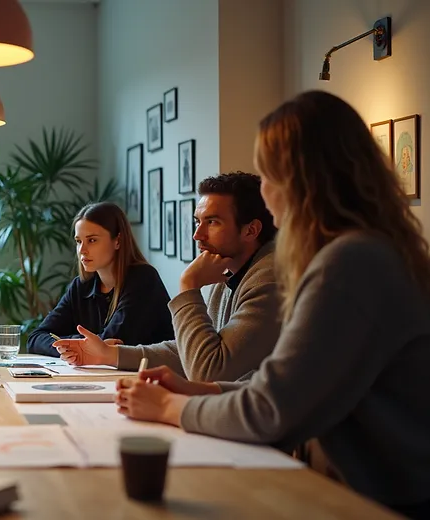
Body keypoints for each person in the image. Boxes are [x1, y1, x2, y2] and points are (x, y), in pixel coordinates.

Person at [116, 91, 430, 518]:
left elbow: (271, 411)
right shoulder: (369, 251)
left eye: (267, 177)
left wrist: (171, 407)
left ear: (301, 181)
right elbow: (290, 388)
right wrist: (201, 390)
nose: (264, 193)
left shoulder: (349, 264)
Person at [56, 172, 280, 382]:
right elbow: (191, 352)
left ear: (251, 231)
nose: (197, 235)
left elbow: (209, 371)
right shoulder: (227, 273)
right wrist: (109, 354)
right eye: (197, 221)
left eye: (212, 222)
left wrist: (188, 287)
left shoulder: (269, 281)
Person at [27, 202, 173, 356]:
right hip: (104, 377)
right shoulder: (81, 286)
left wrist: (70, 344)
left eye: (92, 240)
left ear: (117, 241)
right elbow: (36, 338)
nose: (82, 250)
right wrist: (74, 345)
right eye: (78, 241)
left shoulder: (143, 279)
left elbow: (113, 341)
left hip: (149, 377)